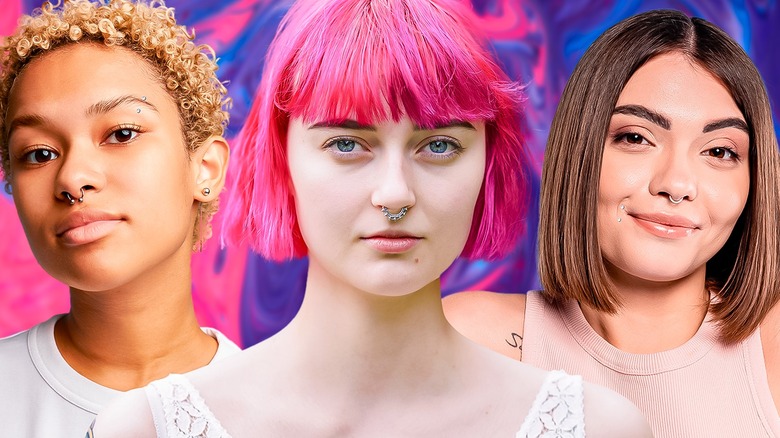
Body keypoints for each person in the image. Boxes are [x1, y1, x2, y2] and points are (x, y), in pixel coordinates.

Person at [91, 0, 651, 436]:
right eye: (346, 144)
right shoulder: (149, 430)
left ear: (488, 162)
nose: (394, 194)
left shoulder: (594, 429)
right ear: (280, 156)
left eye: (437, 146)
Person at [443, 8, 780, 437]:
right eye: (636, 138)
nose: (676, 185)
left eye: (719, 151)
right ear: (579, 153)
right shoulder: (473, 341)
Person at [0, 0, 240, 435]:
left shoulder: (286, 413)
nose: (72, 178)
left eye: (121, 134)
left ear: (204, 169)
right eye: (39, 153)